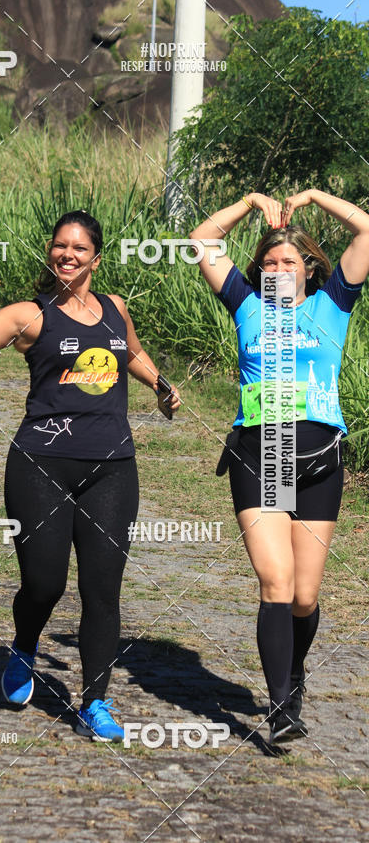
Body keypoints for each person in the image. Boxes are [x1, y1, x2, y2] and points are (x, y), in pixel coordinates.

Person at [0, 211, 179, 742]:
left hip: (112, 468)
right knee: (45, 583)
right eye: (60, 247)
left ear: (96, 258)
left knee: (102, 590)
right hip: (40, 465)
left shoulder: (115, 309)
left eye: (79, 249)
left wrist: (160, 384)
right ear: (51, 252)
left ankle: (96, 702)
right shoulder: (31, 316)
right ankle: (23, 646)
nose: (68, 255)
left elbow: (129, 351)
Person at [191, 190, 369, 744]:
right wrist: (247, 202)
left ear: (309, 268)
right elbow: (200, 241)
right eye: (268, 261)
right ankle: (279, 708)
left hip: (319, 461)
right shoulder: (247, 304)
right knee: (276, 582)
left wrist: (315, 197)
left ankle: (294, 673)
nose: (276, 269)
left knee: (304, 597)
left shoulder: (332, 304)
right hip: (261, 455)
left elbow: (367, 231)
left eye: (288, 261)